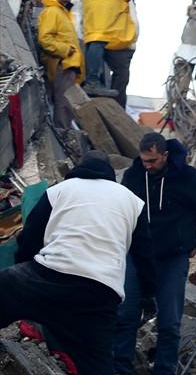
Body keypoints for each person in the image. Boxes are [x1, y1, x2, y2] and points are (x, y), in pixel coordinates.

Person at [0, 151, 155, 375]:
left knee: (5, 286)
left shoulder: (60, 190)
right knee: (97, 362)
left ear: (79, 167)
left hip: (50, 275)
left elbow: (30, 236)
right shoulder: (132, 201)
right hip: (101, 292)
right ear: (110, 173)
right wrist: (149, 294)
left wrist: (24, 272)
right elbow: (145, 255)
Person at [113, 133, 196, 375]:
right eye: (144, 160)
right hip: (137, 255)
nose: (147, 165)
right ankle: (121, 369)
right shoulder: (133, 176)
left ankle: (164, 370)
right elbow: (120, 210)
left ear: (165, 155)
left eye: (152, 160)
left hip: (172, 258)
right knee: (126, 314)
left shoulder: (187, 178)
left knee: (170, 322)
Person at [37, 0, 84, 128]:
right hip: (62, 64)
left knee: (66, 102)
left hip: (68, 64)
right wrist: (66, 50)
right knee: (64, 102)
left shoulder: (62, 12)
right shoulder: (52, 12)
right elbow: (45, 39)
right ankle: (64, 133)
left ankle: (64, 130)